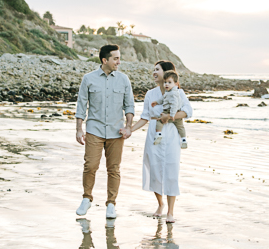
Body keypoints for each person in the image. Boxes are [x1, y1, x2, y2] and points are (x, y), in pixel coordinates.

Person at [75, 45, 134, 222]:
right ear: (104, 60)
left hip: (117, 131)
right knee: (90, 165)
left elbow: (129, 105)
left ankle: (111, 204)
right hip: (94, 129)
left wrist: (129, 126)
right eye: (115, 58)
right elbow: (81, 105)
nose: (119, 61)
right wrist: (79, 129)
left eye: (119, 58)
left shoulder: (124, 80)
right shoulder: (89, 79)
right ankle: (86, 198)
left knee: (113, 169)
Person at [130, 60, 192, 223]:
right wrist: (128, 129)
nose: (154, 72)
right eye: (154, 69)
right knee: (155, 170)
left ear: (167, 73)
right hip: (154, 135)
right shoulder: (150, 94)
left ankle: (171, 211)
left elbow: (188, 111)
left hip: (171, 135)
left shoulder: (178, 92)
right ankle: (160, 204)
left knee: (172, 171)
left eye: (157, 69)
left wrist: (170, 116)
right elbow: (144, 117)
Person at [153, 71, 188, 148]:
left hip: (170, 112)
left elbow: (174, 105)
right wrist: (157, 102)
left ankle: (158, 134)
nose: (166, 84)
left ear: (175, 84)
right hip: (175, 113)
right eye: (165, 82)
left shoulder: (173, 93)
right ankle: (184, 139)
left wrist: (172, 115)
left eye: (169, 82)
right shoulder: (169, 92)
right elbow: (163, 99)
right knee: (180, 127)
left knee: (159, 121)